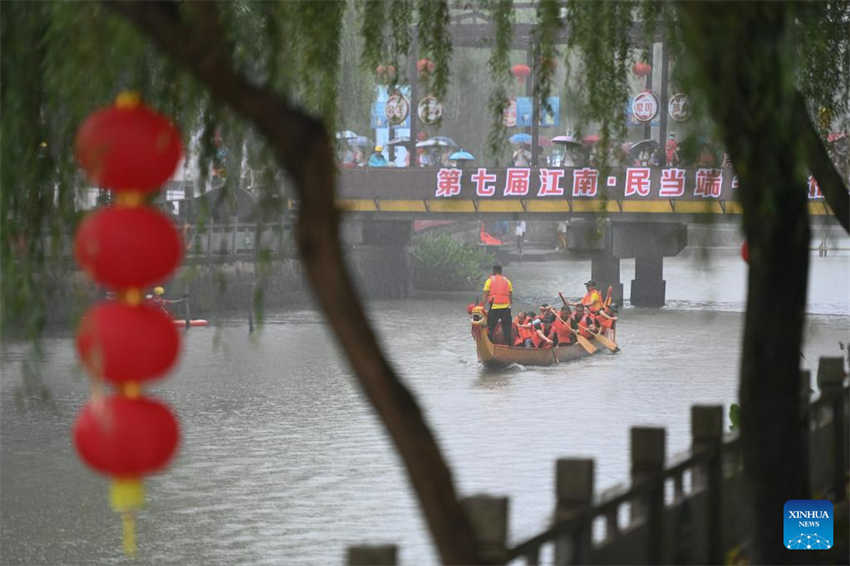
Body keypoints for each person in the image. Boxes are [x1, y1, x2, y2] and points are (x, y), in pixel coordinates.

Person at [482, 265, 513, 345]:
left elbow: (485, 295)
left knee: (490, 328)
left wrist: (481, 306)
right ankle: (509, 346)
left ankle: (490, 344)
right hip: (506, 308)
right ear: (501, 271)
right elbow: (510, 296)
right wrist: (510, 307)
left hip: (494, 307)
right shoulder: (507, 281)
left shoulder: (489, 280)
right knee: (507, 328)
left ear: (494, 271)